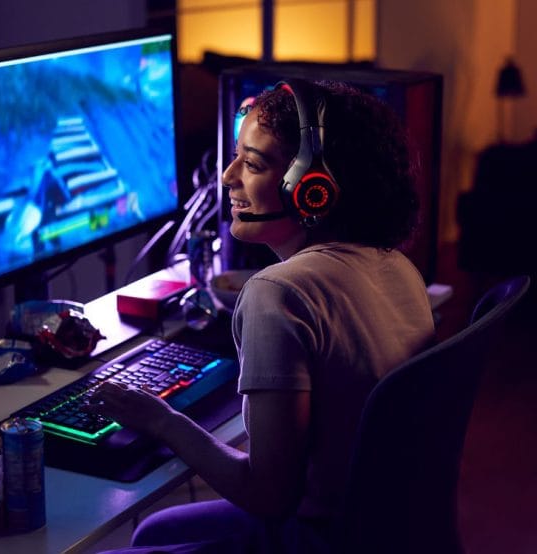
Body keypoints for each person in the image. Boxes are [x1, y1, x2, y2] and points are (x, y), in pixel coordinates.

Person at [89, 79, 435, 553]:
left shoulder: (278, 293)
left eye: (252, 163)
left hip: (318, 539)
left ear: (312, 190)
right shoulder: (398, 267)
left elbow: (268, 496)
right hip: (384, 529)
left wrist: (161, 420)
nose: (228, 176)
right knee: (154, 531)